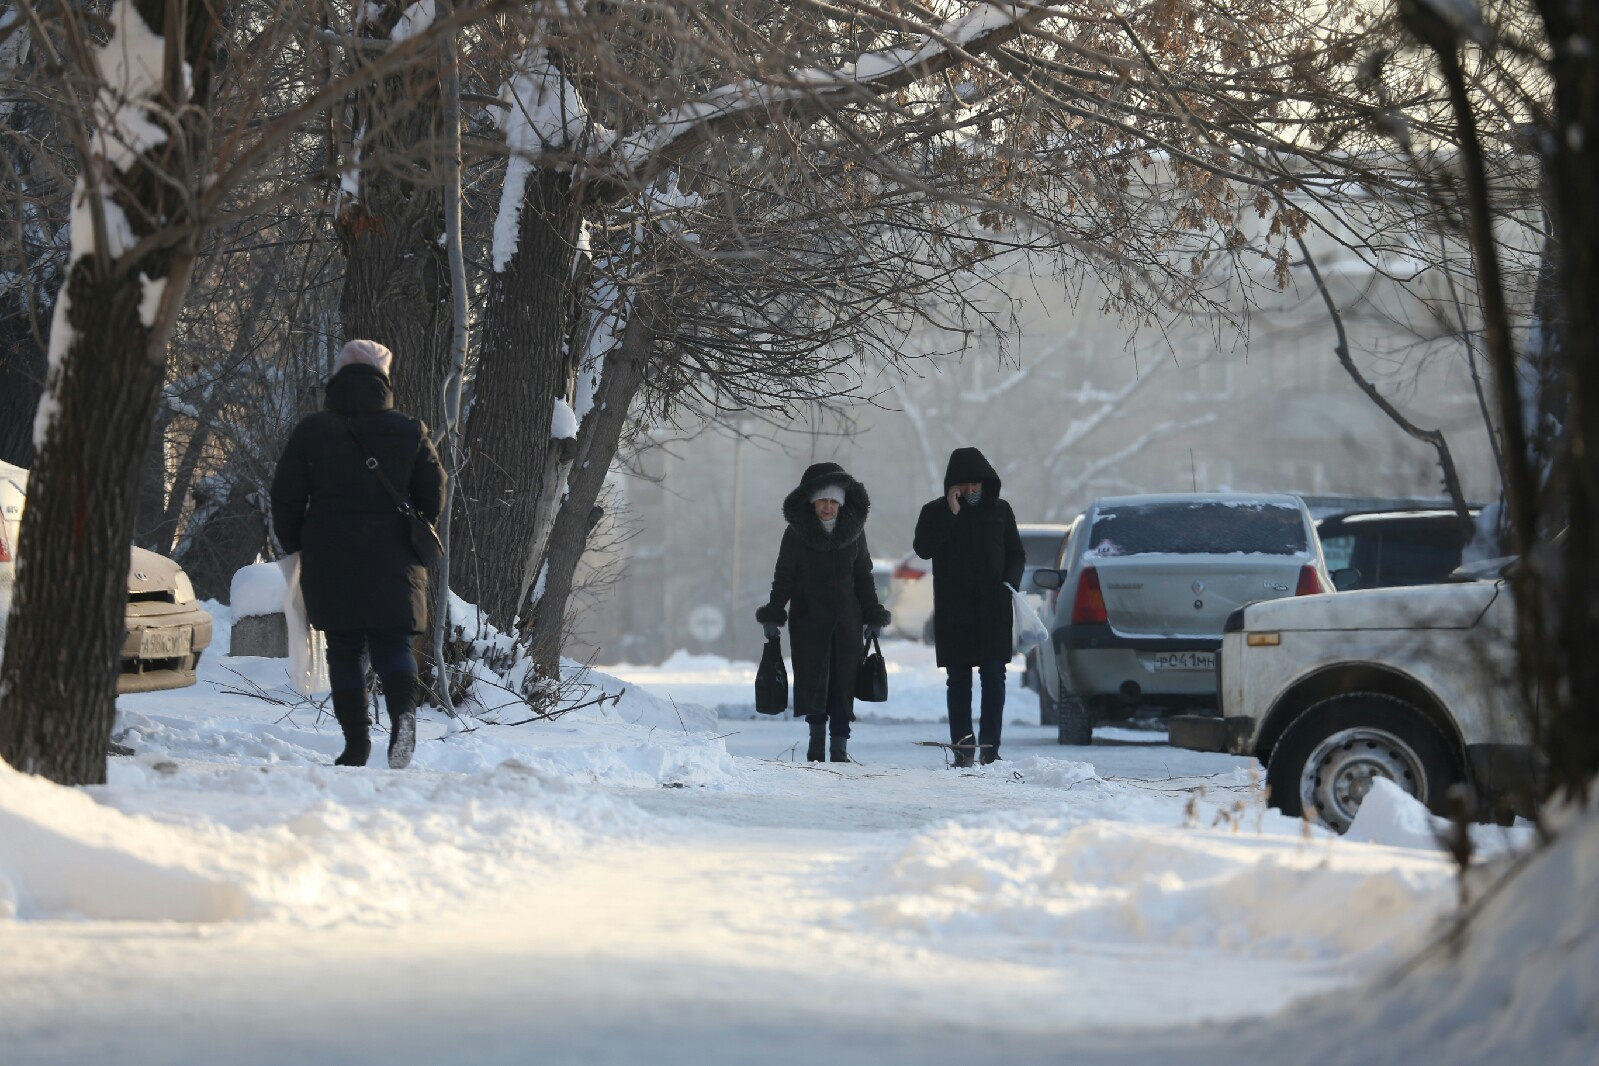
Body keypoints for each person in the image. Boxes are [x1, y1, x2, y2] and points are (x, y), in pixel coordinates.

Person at [270, 339, 446, 769]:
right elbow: (434, 495)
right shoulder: (410, 430)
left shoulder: (313, 431)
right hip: (393, 555)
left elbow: (285, 496)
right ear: (384, 379)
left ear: (338, 377)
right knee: (393, 642)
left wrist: (296, 543)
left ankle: (355, 745)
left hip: (330, 553)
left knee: (344, 648)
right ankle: (403, 718)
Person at [756, 462, 891, 763]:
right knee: (813, 683)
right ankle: (816, 745)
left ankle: (840, 747)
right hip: (808, 623)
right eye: (823, 501)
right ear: (812, 502)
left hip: (848, 623)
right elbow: (784, 576)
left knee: (844, 684)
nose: (828, 507)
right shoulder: (795, 534)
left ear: (841, 504)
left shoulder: (855, 533)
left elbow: (864, 576)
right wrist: (774, 613)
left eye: (834, 501)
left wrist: (872, 615)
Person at [913, 447, 1024, 767]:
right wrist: (951, 512)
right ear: (952, 486)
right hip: (954, 611)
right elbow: (923, 549)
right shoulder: (934, 511)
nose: (972, 491)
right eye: (965, 486)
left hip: (993, 608)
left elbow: (1016, 554)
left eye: (977, 485)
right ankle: (963, 749)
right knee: (958, 680)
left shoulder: (1001, 511)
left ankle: (990, 748)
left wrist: (1009, 583)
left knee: (994, 676)